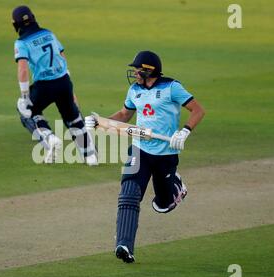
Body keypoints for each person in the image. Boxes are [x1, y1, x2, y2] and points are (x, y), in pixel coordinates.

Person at [86, 51, 205, 263]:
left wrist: (184, 131)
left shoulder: (171, 87)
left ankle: (176, 186)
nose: (134, 73)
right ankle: (124, 244)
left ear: (148, 70)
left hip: (166, 153)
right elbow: (124, 115)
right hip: (140, 150)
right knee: (129, 193)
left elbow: (197, 110)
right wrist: (99, 121)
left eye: (137, 69)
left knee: (162, 204)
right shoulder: (134, 90)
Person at [11, 5, 97, 165]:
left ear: (15, 24)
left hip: (44, 85)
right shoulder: (49, 33)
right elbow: (61, 56)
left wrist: (24, 96)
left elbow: (22, 69)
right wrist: (69, 85)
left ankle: (49, 139)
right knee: (72, 117)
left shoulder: (21, 42)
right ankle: (90, 156)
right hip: (64, 81)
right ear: (33, 17)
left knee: (26, 111)